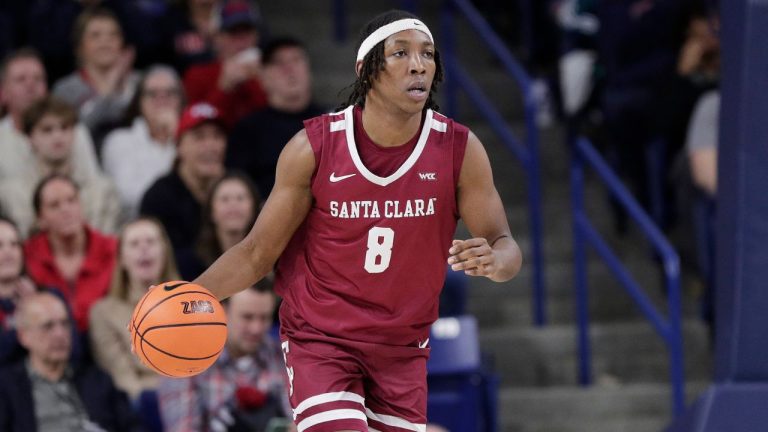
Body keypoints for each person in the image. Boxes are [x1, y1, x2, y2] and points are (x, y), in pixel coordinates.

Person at [189, 10, 522, 431]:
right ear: (366, 70)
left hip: (402, 347)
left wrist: (498, 262)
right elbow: (256, 253)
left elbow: (504, 243)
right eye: (400, 53)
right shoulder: (313, 148)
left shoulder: (459, 150)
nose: (418, 64)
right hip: (321, 339)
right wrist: (190, 297)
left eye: (428, 54)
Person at [158, 282, 292, 432]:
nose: (256, 328)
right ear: (223, 311)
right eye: (247, 317)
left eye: (264, 318)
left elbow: (299, 422)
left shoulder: (283, 356)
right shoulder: (185, 362)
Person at [0, 291, 139, 432]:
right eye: (47, 326)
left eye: (65, 324)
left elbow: (133, 427)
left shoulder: (97, 380)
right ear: (23, 336)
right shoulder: (7, 387)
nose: (60, 334)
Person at [0, 96, 120, 237]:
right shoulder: (10, 194)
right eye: (47, 130)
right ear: (29, 138)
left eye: (64, 128)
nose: (58, 136)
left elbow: (108, 245)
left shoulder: (103, 191)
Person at [89, 217, 180, 401]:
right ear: (121, 259)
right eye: (134, 244)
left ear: (165, 252)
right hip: (142, 405)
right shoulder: (103, 312)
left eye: (151, 242)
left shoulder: (189, 304)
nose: (143, 248)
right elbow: (123, 379)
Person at [227, 36, 326, 196]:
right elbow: (237, 186)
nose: (289, 69)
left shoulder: (332, 122)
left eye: (296, 59)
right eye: (278, 63)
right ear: (263, 77)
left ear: (309, 69)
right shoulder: (247, 130)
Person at [24, 174, 118, 333]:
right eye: (54, 205)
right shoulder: (27, 255)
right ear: (40, 218)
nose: (65, 210)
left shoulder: (113, 249)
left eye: (72, 200)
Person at [139, 102, 227, 259]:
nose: (211, 146)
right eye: (199, 137)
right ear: (179, 146)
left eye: (217, 136)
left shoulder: (238, 190)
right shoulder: (159, 197)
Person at [0, 48, 99, 182]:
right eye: (20, 79)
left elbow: (93, 183)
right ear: (3, 93)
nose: (31, 85)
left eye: (38, 79)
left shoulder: (76, 131)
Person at [102, 65, 184, 222]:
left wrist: (177, 137)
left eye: (169, 93)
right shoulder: (119, 141)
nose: (161, 100)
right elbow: (127, 196)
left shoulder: (189, 141)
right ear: (139, 101)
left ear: (181, 99)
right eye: (152, 94)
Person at [53, 7, 141, 151]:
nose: (105, 41)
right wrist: (110, 85)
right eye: (95, 35)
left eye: (113, 35)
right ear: (79, 47)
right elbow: (75, 134)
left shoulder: (140, 82)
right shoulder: (65, 90)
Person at [182, 0, 267, 129]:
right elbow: (197, 127)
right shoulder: (197, 75)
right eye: (233, 32)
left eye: (247, 31)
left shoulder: (268, 70)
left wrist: (261, 81)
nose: (241, 40)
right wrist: (224, 88)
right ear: (217, 38)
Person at [180, 172, 260, 279]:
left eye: (240, 198)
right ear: (211, 212)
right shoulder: (191, 264)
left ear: (254, 209)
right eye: (225, 199)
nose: (233, 204)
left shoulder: (269, 260)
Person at [0, 217, 37, 364]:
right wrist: (28, 317)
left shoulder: (49, 297)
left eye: (14, 244)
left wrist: (37, 307)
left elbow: (74, 353)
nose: (8, 252)